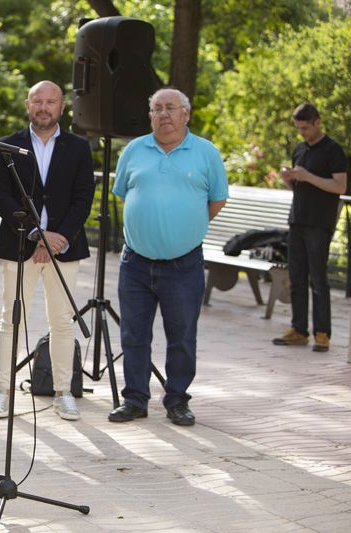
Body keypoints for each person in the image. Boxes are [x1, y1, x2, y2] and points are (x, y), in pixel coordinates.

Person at [108, 87, 228, 427]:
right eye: (157, 108)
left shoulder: (205, 152)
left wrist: (186, 226)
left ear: (185, 114)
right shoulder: (134, 150)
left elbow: (216, 200)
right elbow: (125, 195)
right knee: (133, 334)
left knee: (182, 335)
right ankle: (134, 400)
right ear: (150, 115)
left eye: (171, 108)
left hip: (184, 263)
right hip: (136, 263)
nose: (164, 114)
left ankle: (177, 400)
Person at [0, 80, 95, 422]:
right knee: (10, 319)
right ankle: (2, 391)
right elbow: (2, 195)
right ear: (27, 104)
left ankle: (63, 392)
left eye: (51, 102)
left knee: (62, 321)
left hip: (65, 246)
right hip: (20, 244)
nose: (44, 108)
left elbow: (84, 196)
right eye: (38, 101)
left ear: (62, 107)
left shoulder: (79, 147)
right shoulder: (9, 145)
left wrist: (58, 236)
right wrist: (36, 234)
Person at [272, 103, 348, 353]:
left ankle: (322, 333)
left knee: (318, 279)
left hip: (319, 223)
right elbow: (301, 188)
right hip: (297, 220)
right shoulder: (299, 149)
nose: (302, 133)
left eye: (305, 128)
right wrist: (290, 180)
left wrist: (308, 177)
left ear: (317, 122)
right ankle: (299, 330)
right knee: (296, 278)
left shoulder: (333, 150)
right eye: (298, 128)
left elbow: (340, 186)